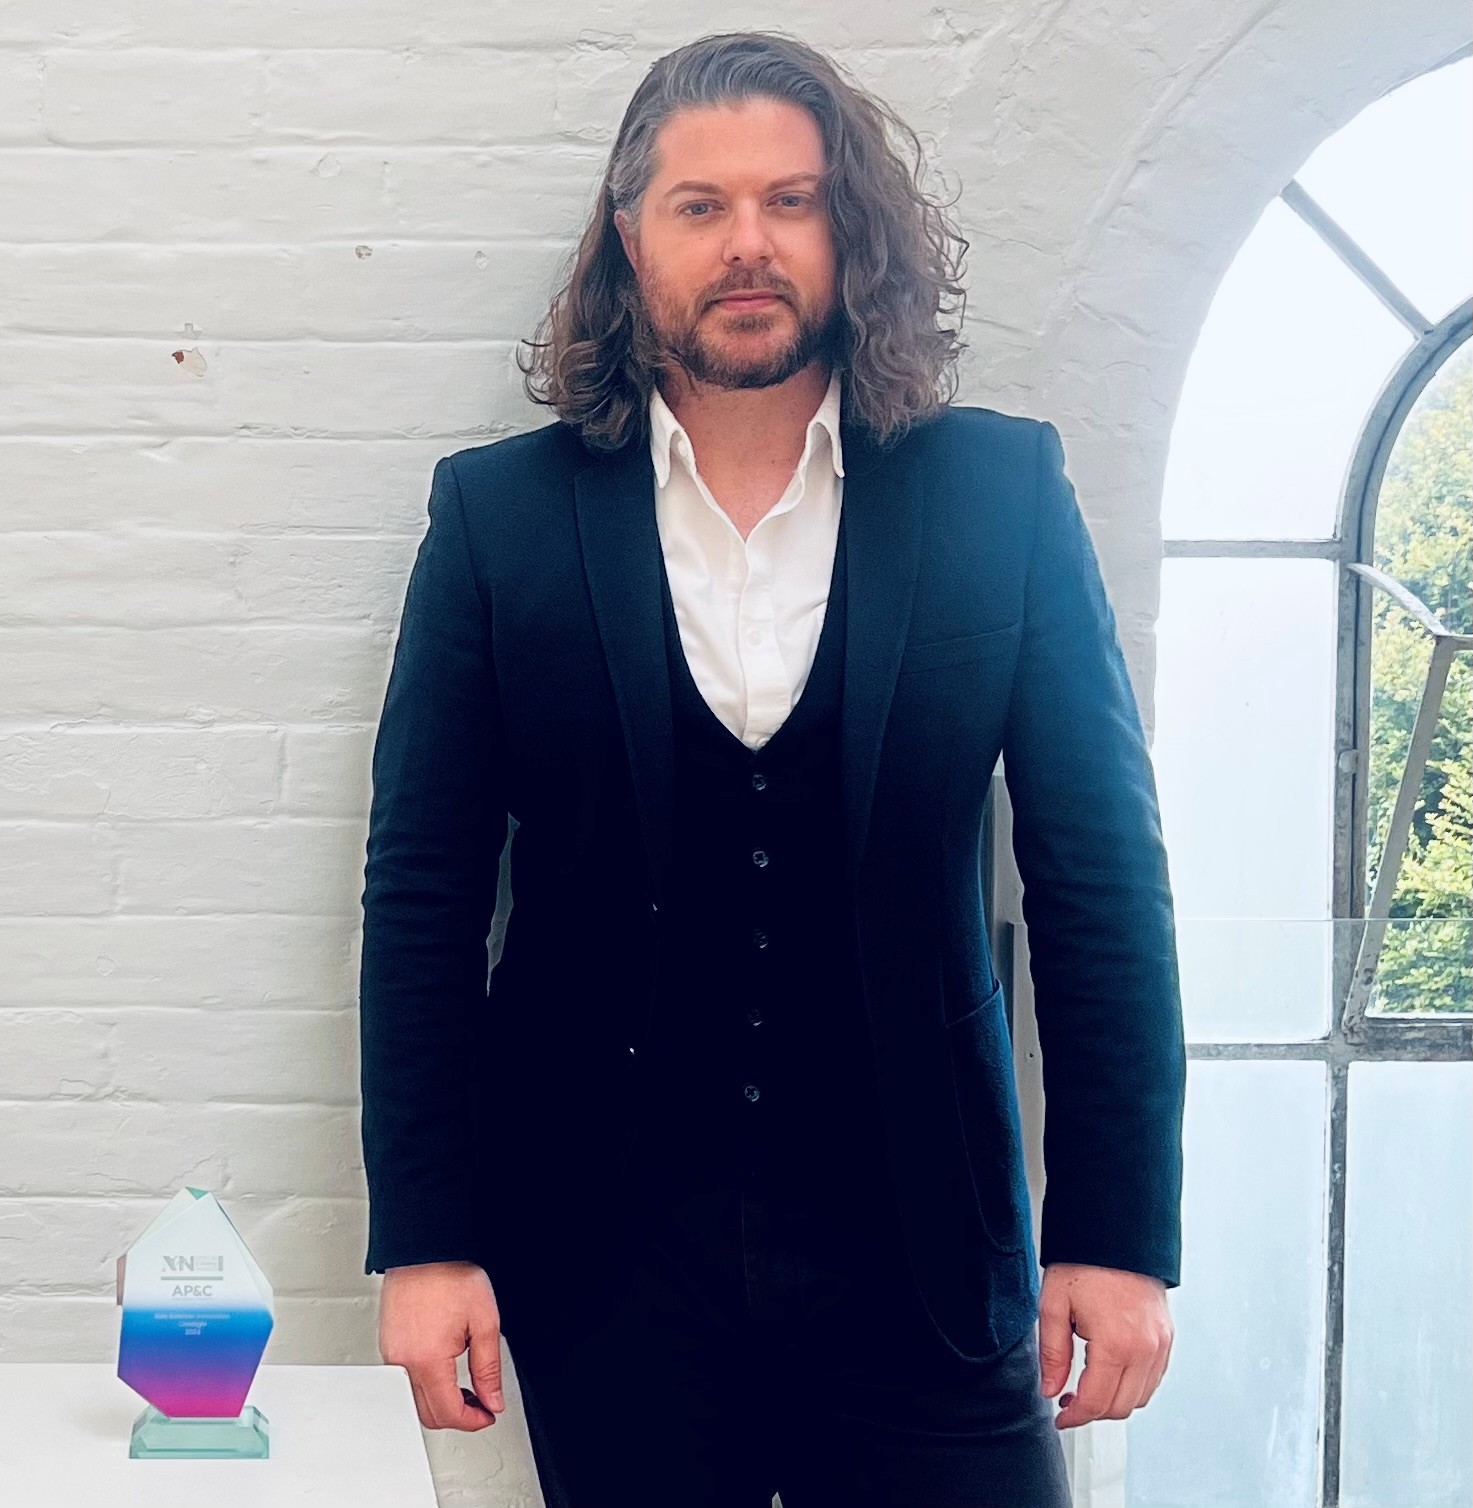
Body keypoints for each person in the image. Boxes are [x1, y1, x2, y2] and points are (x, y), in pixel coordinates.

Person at [358, 29, 1185, 1508]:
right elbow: (421, 895)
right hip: (604, 1265)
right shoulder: (500, 520)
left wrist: (1116, 1235)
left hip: (925, 1256)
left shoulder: (998, 492)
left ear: (844, 226)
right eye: (701, 204)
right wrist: (427, 1239)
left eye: (790, 201)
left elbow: (1099, 886)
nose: (748, 243)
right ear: (631, 236)